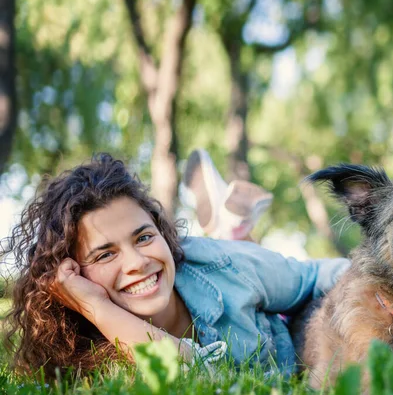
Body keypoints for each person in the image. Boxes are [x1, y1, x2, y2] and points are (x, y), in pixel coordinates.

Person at [1, 153, 349, 378]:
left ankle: (229, 230)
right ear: (72, 274)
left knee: (234, 258)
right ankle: (228, 226)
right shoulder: (87, 354)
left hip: (283, 320)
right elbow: (197, 376)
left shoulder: (218, 265)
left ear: (163, 233)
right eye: (105, 254)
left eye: (143, 238)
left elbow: (314, 276)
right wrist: (95, 306)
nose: (138, 262)